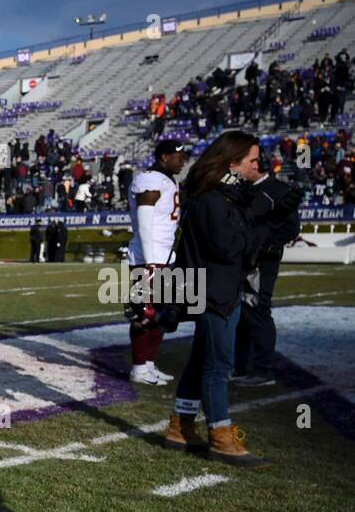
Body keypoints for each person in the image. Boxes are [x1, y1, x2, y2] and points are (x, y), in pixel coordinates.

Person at [164, 131, 271, 467]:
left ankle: (180, 426)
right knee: (218, 365)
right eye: (252, 160)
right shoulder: (213, 199)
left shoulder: (218, 197)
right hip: (215, 291)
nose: (257, 166)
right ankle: (221, 436)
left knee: (201, 358)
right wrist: (258, 229)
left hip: (215, 288)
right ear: (231, 162)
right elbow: (227, 248)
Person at [233, 167, 304, 387]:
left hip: (262, 261)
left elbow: (291, 227)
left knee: (258, 310)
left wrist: (264, 247)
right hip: (244, 259)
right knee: (243, 313)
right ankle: (240, 366)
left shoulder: (278, 189)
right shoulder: (244, 189)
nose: (237, 170)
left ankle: (262, 370)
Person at [126, 140, 189, 385]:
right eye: (177, 156)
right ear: (164, 157)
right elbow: (145, 223)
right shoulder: (149, 179)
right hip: (147, 258)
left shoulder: (168, 180)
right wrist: (152, 263)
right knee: (144, 314)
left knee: (160, 314)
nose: (182, 161)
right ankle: (139, 368)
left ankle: (149, 364)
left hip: (163, 257)